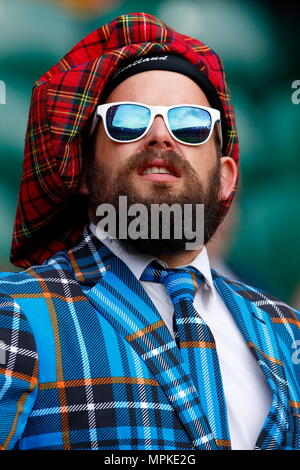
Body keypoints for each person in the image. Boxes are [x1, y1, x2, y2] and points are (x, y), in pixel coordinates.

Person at [0, 12, 299, 452]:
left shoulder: (287, 331)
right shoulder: (14, 313)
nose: (160, 135)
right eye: (127, 121)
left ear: (225, 179)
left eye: (190, 123)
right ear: (83, 170)